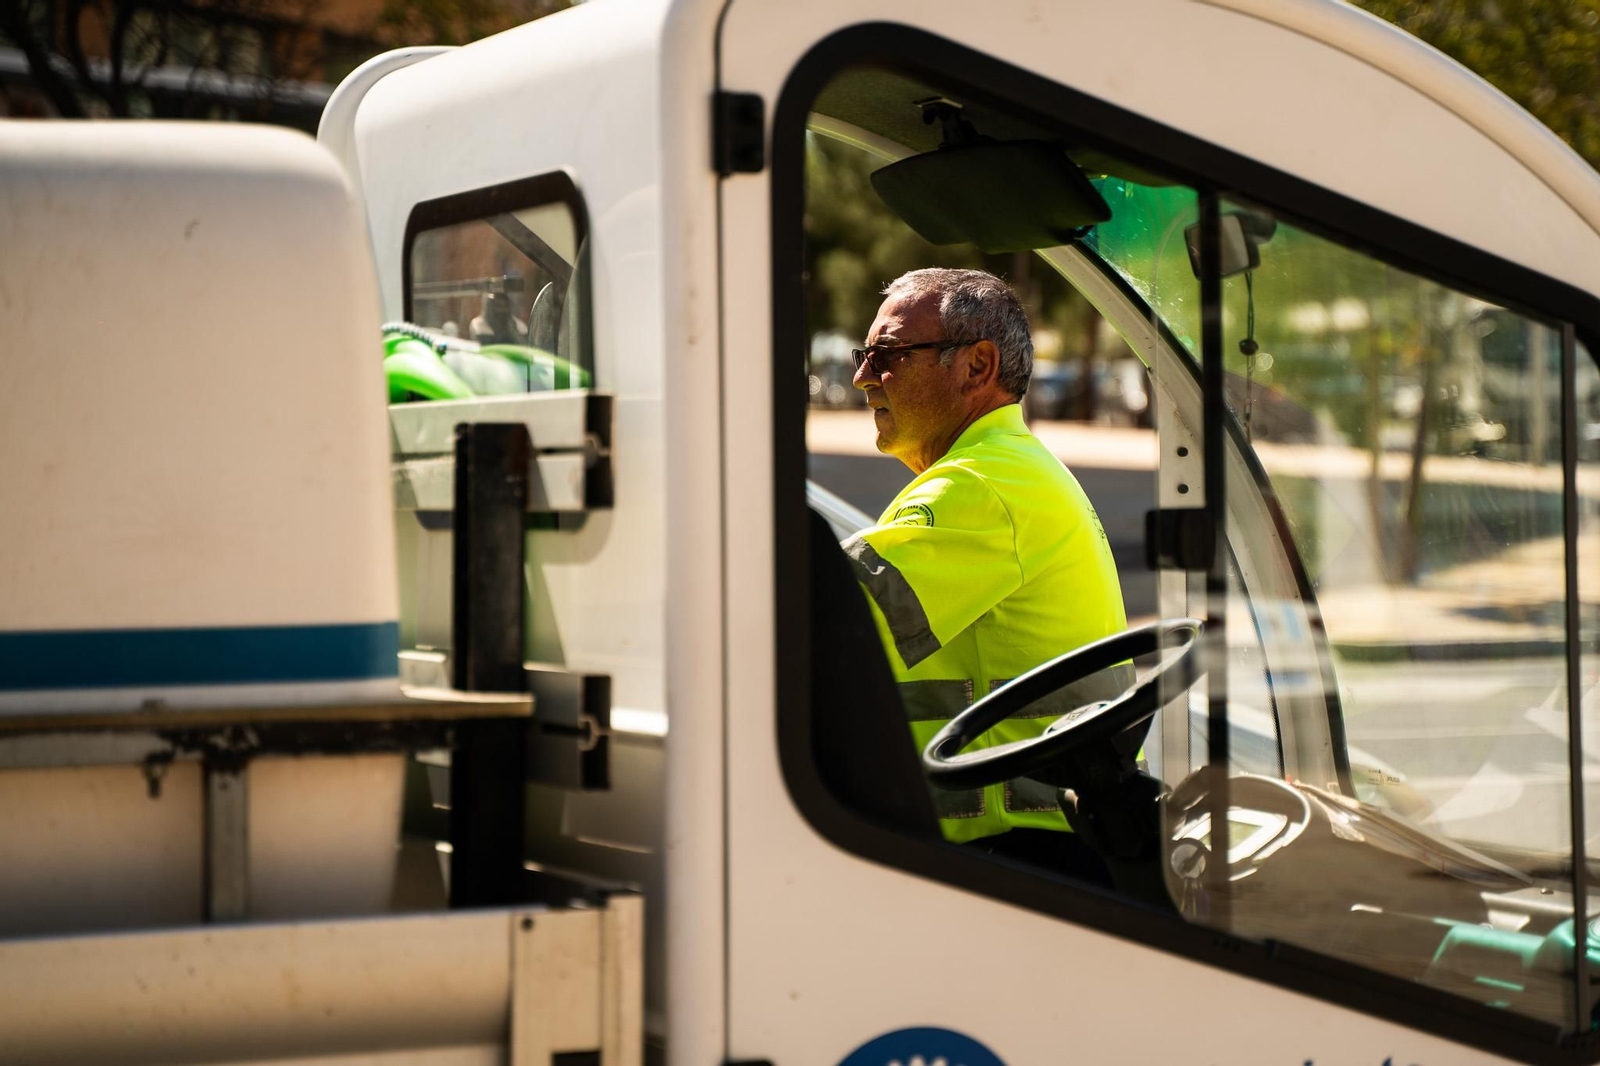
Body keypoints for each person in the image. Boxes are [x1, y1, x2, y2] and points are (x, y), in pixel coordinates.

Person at [841, 268, 1131, 874]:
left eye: (888, 354)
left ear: (976, 366)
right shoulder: (1010, 468)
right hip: (1055, 846)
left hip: (1017, 859)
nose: (863, 376)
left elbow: (815, 616)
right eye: (862, 355)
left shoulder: (980, 485)